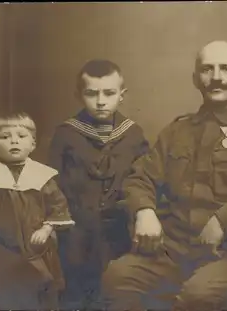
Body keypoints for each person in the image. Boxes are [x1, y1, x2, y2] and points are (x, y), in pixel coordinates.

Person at [101, 40, 227, 311]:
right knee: (119, 277)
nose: (216, 77)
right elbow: (140, 177)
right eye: (208, 69)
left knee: (200, 296)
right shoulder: (176, 132)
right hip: (172, 251)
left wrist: (224, 219)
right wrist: (144, 210)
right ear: (196, 79)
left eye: (226, 69)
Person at [48, 59, 150, 309]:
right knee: (75, 293)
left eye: (109, 93)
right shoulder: (66, 135)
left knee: (115, 292)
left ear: (122, 95)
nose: (101, 101)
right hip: (75, 234)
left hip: (118, 234)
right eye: (92, 93)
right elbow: (51, 183)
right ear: (79, 95)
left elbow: (145, 181)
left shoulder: (133, 135)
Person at [0, 112, 75, 310]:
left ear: (33, 144)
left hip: (36, 251)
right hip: (2, 249)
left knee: (42, 289)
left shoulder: (42, 176)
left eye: (21, 136)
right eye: (4, 137)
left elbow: (57, 205)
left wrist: (47, 229)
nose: (14, 141)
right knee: (3, 292)